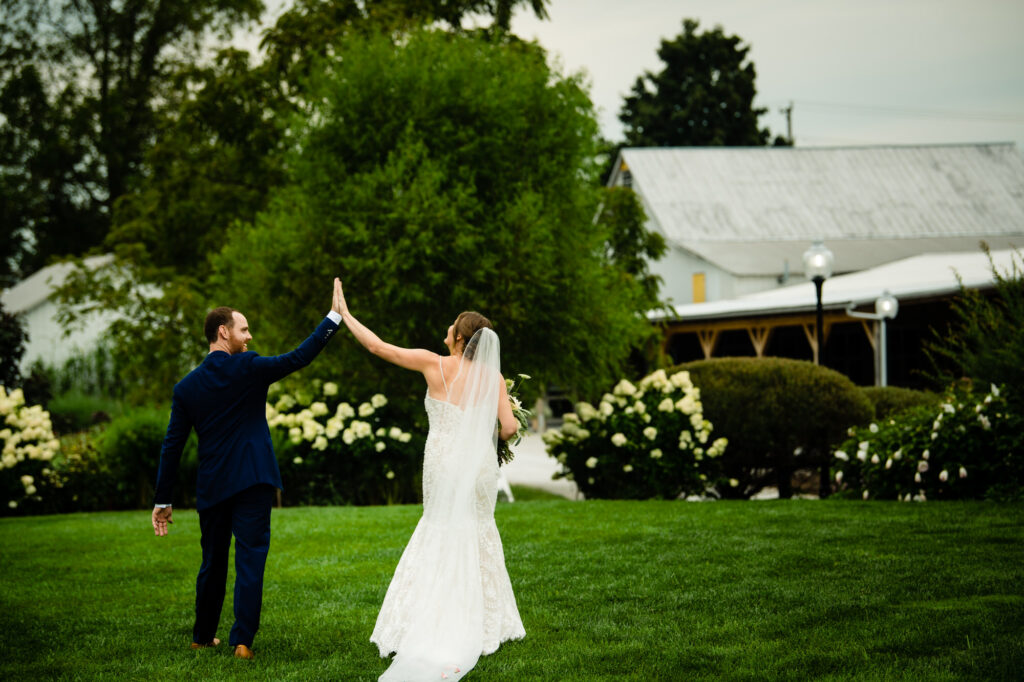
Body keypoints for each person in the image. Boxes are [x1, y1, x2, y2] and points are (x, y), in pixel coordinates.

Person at [334, 282, 525, 681]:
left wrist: (347, 316)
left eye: (452, 325)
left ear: (458, 337)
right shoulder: (493, 377)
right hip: (477, 469)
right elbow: (508, 428)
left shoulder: (433, 363)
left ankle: (428, 618)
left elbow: (378, 348)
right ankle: (487, 620)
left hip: (441, 463)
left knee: (439, 528)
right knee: (477, 529)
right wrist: (483, 434)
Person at [151, 279, 345, 660]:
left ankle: (202, 636)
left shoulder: (186, 387)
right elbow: (298, 357)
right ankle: (242, 642)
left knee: (213, 562)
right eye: (244, 329)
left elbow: (172, 447)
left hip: (213, 484)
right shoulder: (250, 367)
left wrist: (163, 498)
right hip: (254, 480)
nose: (249, 336)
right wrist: (334, 317)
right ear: (223, 332)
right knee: (251, 558)